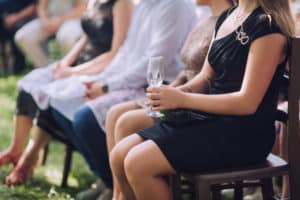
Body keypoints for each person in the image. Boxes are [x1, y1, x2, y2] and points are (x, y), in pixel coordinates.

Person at [109, 0, 294, 199]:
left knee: (138, 163)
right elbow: (206, 78)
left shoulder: (268, 28)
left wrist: (183, 99)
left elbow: (246, 103)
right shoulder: (228, 16)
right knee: (119, 155)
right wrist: (174, 93)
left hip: (244, 134)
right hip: (211, 120)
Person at [105, 0, 234, 198]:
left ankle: (127, 194)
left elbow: (216, 81)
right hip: (183, 94)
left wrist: (178, 97)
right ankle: (118, 193)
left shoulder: (229, 23)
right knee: (115, 114)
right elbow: (187, 71)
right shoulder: (204, 19)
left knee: (126, 121)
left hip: (197, 105)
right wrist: (168, 91)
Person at [0, 0, 133, 189]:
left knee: (54, 94)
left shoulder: (122, 4)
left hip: (102, 69)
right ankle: (16, 150)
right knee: (31, 83)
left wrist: (73, 72)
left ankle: (28, 160)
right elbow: (87, 37)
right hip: (81, 63)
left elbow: (115, 53)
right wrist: (65, 63)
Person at [14, 0, 87, 67]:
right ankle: (47, 69)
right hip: (50, 19)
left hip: (73, 19)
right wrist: (45, 21)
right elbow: (41, 6)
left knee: (65, 37)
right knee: (22, 36)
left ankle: (69, 68)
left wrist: (60, 20)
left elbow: (82, 8)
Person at [0, 0, 37, 73]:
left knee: (17, 29)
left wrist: (16, 18)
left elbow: (34, 7)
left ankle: (19, 67)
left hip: (24, 19)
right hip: (5, 20)